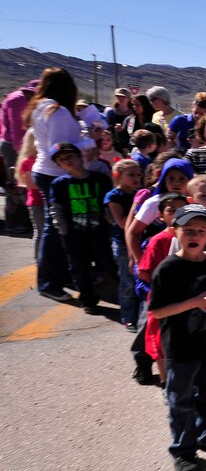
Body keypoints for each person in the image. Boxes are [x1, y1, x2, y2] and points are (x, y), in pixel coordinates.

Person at [149, 204, 206, 471]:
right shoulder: (168, 269)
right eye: (188, 230)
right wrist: (195, 303)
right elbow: (156, 311)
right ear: (175, 231)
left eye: (201, 231)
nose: (195, 235)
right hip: (182, 347)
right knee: (182, 400)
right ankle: (183, 450)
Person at [25, 67, 83, 302]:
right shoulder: (56, 111)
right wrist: (87, 141)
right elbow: (59, 149)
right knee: (54, 228)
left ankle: (59, 275)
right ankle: (49, 282)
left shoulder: (41, 107)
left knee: (59, 228)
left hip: (47, 171)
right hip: (55, 173)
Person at [46, 142, 116, 314]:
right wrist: (62, 229)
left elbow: (109, 204)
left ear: (79, 156)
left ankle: (128, 293)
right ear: (59, 165)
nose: (67, 161)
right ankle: (88, 299)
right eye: (62, 160)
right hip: (73, 235)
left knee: (110, 264)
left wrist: (112, 223)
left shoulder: (99, 179)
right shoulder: (59, 184)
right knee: (79, 268)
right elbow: (56, 208)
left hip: (98, 232)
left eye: (70, 156)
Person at [136, 192, 188, 386]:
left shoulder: (192, 234)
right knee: (160, 343)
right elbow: (144, 271)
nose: (176, 213)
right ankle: (166, 381)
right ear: (161, 215)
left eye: (181, 209)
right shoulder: (158, 240)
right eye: (170, 210)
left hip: (186, 300)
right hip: (162, 299)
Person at [104, 159, 143, 330]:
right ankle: (128, 317)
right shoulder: (114, 196)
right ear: (118, 176)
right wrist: (141, 210)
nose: (136, 178)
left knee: (141, 280)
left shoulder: (140, 193)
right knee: (127, 283)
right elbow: (121, 222)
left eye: (139, 175)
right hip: (122, 244)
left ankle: (141, 316)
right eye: (131, 175)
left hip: (140, 241)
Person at [0, 79, 39, 183]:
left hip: (11, 142)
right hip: (13, 145)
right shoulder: (19, 99)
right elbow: (17, 127)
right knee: (18, 182)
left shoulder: (18, 97)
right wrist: (21, 151)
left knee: (17, 182)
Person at [15, 129, 42, 258]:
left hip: (42, 201)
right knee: (40, 232)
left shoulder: (42, 158)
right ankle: (38, 260)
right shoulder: (28, 161)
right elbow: (31, 185)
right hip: (36, 202)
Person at [103, 87, 132, 155]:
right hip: (115, 147)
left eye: (123, 97)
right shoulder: (111, 113)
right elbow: (107, 129)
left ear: (128, 99)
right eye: (118, 96)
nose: (120, 98)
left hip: (129, 146)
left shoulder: (133, 113)